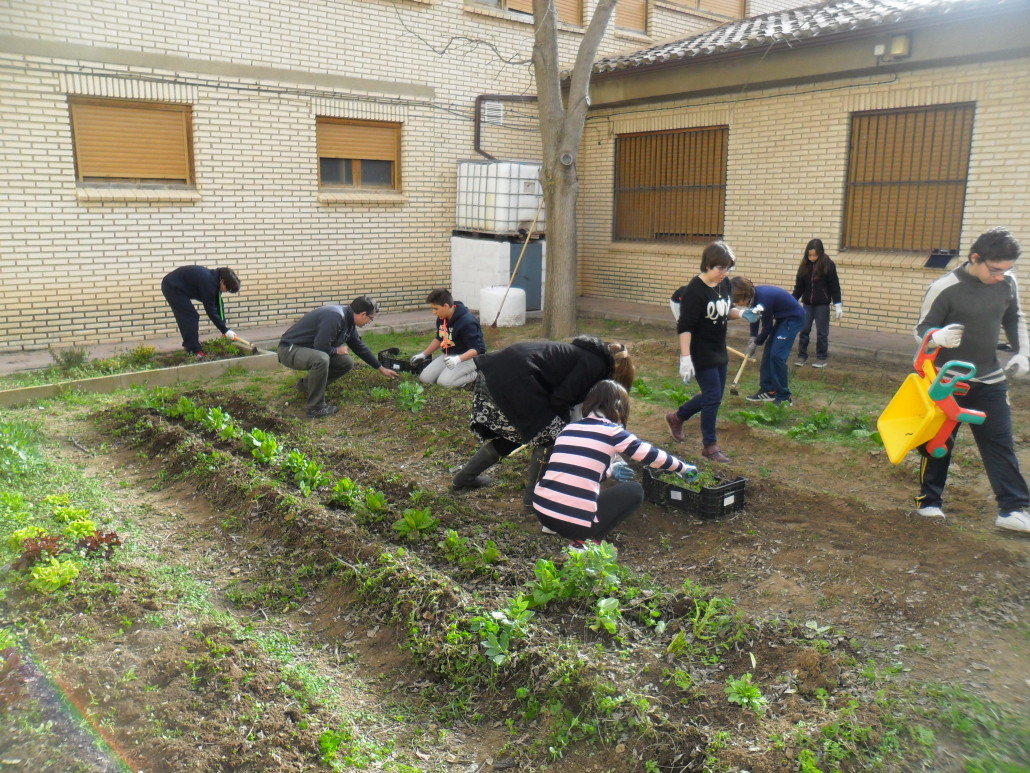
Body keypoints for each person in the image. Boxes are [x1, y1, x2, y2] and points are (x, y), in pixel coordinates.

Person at [913, 227, 1030, 534]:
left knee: (1000, 441)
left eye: (1008, 269)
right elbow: (921, 329)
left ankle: (1013, 509)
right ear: (975, 258)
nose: (1002, 276)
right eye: (995, 269)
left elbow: (1015, 318)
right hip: (946, 382)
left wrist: (1023, 353)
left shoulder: (1007, 283)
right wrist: (935, 337)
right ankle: (929, 502)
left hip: (990, 379)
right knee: (938, 443)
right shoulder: (945, 287)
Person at [451, 335, 636, 490]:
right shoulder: (595, 365)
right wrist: (568, 430)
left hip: (494, 375)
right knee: (550, 438)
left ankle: (465, 477)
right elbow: (561, 399)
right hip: (514, 382)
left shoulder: (583, 354)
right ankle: (534, 498)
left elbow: (564, 397)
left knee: (520, 434)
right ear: (616, 374)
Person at [532, 380, 697, 549]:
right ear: (619, 407)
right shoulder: (613, 432)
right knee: (634, 490)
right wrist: (683, 468)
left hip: (541, 509)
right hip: (573, 522)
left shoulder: (569, 429)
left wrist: (611, 471)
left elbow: (579, 469)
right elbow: (651, 455)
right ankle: (582, 542)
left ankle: (561, 530)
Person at [665, 241, 750, 463]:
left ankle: (678, 417)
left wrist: (741, 314)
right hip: (700, 350)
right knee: (713, 397)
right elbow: (685, 326)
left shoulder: (725, 285)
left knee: (714, 395)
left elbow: (724, 310)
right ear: (707, 265)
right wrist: (685, 357)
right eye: (720, 268)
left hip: (718, 347)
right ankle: (709, 446)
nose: (724, 273)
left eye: (728, 268)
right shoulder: (695, 290)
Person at [277, 295, 398, 418]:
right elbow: (320, 346)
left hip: (307, 350)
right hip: (289, 349)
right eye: (370, 318)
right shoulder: (335, 316)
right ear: (362, 314)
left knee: (346, 362)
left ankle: (306, 386)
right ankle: (315, 407)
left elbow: (359, 347)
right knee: (321, 359)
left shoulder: (349, 322)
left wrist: (381, 368)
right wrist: (336, 350)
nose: (369, 322)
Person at [737, 278, 806, 406]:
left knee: (777, 355)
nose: (738, 304)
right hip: (782, 319)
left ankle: (784, 396)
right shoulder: (754, 297)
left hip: (793, 319)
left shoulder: (763, 298)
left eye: (737, 300)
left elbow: (767, 327)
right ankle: (768, 390)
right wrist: (753, 337)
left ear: (744, 295)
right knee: (769, 352)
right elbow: (755, 318)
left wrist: (756, 343)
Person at [409, 289, 486, 389]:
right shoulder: (442, 318)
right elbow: (439, 338)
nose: (433, 312)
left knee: (444, 383)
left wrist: (458, 359)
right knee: (425, 378)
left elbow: (478, 349)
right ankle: (452, 374)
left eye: (436, 309)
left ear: (445, 306)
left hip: (468, 358)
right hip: (448, 356)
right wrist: (424, 354)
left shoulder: (467, 322)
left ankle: (476, 375)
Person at [161, 265, 241, 357]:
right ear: (222, 282)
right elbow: (211, 310)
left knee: (191, 316)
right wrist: (224, 330)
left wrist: (225, 329)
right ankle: (194, 350)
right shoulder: (209, 284)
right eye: (227, 289)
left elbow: (218, 305)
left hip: (179, 286)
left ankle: (191, 346)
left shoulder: (216, 279)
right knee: (190, 317)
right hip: (172, 287)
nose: (226, 291)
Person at [792, 239, 843, 368]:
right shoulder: (804, 266)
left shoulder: (828, 265)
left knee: (822, 332)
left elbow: (834, 285)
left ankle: (821, 358)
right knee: (804, 330)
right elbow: (799, 287)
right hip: (808, 304)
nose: (812, 258)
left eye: (815, 255)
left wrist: (838, 304)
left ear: (820, 253)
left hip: (822, 304)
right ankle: (802, 356)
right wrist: (792, 301)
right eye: (810, 255)